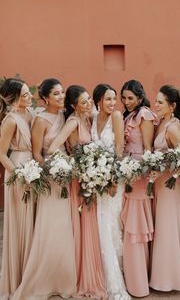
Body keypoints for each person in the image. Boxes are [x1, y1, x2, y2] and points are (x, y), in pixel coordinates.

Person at [12, 78, 77, 300]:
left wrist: (66, 168)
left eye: (62, 92)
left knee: (67, 227)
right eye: (56, 94)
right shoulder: (40, 119)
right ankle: (44, 278)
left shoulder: (64, 115)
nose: (61, 97)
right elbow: (38, 152)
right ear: (46, 98)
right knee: (50, 226)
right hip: (51, 178)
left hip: (66, 175)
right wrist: (49, 171)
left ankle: (66, 276)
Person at [48, 85, 107, 299]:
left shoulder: (87, 119)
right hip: (79, 181)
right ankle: (82, 276)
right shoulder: (73, 121)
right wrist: (75, 165)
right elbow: (53, 148)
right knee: (82, 225)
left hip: (89, 180)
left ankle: (90, 272)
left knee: (90, 225)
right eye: (83, 102)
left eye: (89, 99)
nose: (89, 103)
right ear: (74, 105)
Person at [91, 84, 130, 300]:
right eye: (107, 99)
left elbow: (119, 148)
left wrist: (113, 177)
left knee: (112, 224)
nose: (112, 103)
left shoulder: (116, 116)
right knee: (99, 223)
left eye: (114, 99)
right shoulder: (93, 117)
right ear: (98, 100)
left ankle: (118, 275)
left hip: (113, 179)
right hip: (96, 180)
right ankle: (100, 273)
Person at [120, 79, 156, 297]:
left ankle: (139, 283)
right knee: (129, 226)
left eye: (130, 98)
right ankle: (133, 277)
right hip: (127, 174)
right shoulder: (128, 116)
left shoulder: (145, 115)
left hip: (139, 177)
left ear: (140, 97)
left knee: (137, 229)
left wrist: (139, 173)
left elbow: (148, 149)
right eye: (124, 98)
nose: (126, 102)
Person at [149, 85, 180, 291]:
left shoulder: (173, 126)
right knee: (160, 227)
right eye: (156, 101)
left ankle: (168, 280)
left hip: (170, 185)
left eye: (160, 102)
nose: (156, 105)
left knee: (167, 228)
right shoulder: (162, 122)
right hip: (160, 184)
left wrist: (162, 170)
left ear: (172, 106)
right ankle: (159, 276)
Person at [0, 78, 34, 300]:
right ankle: (18, 278)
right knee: (20, 223)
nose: (29, 96)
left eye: (28, 92)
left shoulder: (30, 114)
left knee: (32, 222)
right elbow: (1, 154)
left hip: (33, 170)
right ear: (13, 98)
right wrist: (19, 175)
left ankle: (32, 272)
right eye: (24, 94)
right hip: (18, 173)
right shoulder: (10, 120)